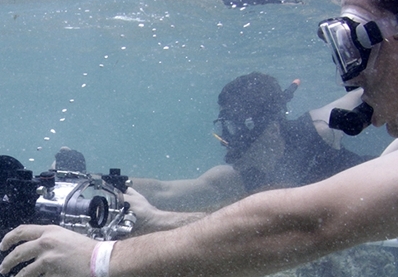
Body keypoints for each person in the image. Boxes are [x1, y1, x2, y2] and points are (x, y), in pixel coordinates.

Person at [0, 0, 398, 277]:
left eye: (355, 42)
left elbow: (308, 223)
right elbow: (287, 222)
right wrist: (154, 219)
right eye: (336, 44)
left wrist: (98, 263)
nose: (349, 76)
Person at [129, 73, 369, 233]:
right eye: (225, 127)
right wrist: (103, 183)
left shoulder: (320, 128)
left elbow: (372, 91)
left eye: (235, 128)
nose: (227, 142)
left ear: (272, 130)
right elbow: (163, 191)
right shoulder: (236, 178)